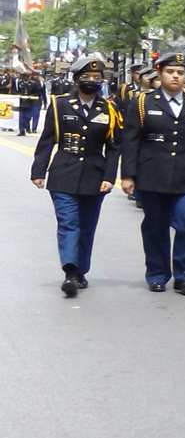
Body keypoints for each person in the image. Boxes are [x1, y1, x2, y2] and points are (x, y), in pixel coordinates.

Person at [118, 53, 185, 295]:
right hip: (152, 175)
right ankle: (157, 274)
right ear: (160, 74)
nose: (175, 76)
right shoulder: (143, 102)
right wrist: (128, 175)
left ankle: (183, 276)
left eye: (180, 72)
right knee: (155, 226)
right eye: (170, 72)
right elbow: (131, 140)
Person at [31, 55, 119, 296]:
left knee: (87, 226)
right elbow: (47, 139)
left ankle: (81, 270)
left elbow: (113, 147)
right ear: (76, 79)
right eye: (87, 77)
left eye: (97, 78)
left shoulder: (108, 109)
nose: (92, 81)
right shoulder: (60, 104)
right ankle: (69, 271)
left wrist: (109, 177)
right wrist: (38, 171)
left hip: (94, 174)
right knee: (69, 223)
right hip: (63, 173)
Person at [16, 66, 43, 136]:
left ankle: (27, 126)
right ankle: (21, 131)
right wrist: (18, 95)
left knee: (28, 117)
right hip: (21, 102)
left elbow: (37, 92)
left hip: (30, 102)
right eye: (24, 76)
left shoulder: (33, 83)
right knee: (21, 117)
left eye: (27, 76)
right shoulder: (19, 82)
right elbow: (16, 90)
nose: (25, 77)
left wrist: (31, 96)